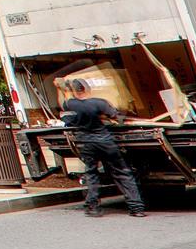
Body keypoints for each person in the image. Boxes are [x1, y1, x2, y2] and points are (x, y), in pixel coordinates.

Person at [60, 78, 147, 217]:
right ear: (88, 89)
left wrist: (62, 89)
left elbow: (64, 106)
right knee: (122, 172)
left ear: (75, 91)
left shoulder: (71, 104)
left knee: (92, 174)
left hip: (87, 143)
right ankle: (136, 208)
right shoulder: (100, 103)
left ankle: (92, 207)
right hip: (105, 142)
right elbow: (116, 117)